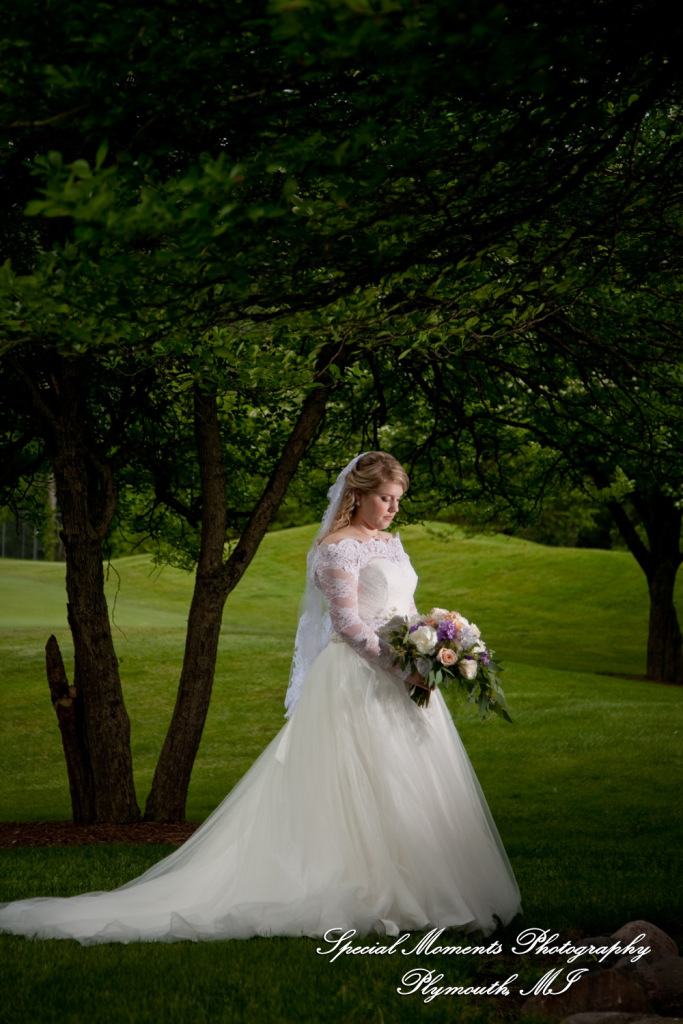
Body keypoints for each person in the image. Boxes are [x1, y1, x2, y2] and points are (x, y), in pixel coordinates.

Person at [0, 452, 521, 944]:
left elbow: (402, 609)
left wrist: (432, 645)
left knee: (412, 784)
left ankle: (426, 888)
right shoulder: (335, 547)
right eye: (386, 498)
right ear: (358, 495)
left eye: (398, 500)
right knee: (359, 786)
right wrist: (404, 668)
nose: (393, 508)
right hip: (359, 679)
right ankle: (364, 888)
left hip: (405, 679)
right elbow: (347, 625)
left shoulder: (392, 545)